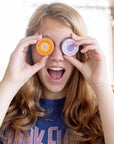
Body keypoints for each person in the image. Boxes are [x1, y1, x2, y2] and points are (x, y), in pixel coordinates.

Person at [0, 2, 114, 144]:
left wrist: (101, 85)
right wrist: (9, 83)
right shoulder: (6, 105)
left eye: (68, 45)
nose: (57, 57)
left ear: (79, 51)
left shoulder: (104, 107)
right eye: (46, 45)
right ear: (29, 49)